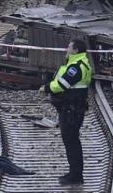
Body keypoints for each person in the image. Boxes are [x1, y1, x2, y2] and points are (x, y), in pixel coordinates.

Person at [41, 39, 93, 185]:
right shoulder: (74, 64)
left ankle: (76, 176)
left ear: (76, 50)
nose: (67, 48)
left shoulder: (76, 67)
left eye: (69, 47)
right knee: (71, 141)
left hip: (72, 111)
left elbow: (62, 85)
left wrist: (46, 88)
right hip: (70, 109)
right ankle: (74, 173)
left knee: (71, 142)